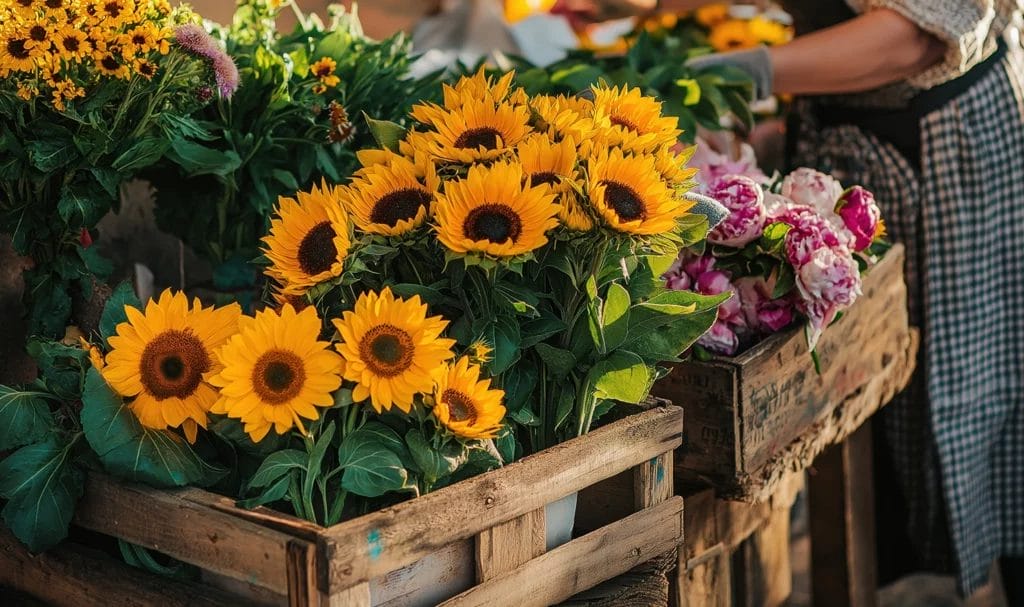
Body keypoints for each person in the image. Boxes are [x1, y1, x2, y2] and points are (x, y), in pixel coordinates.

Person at [574, 0, 1024, 602]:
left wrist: (750, 71)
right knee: (892, 426)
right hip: (855, 127)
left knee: (974, 406)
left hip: (945, 147)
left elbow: (917, 36)